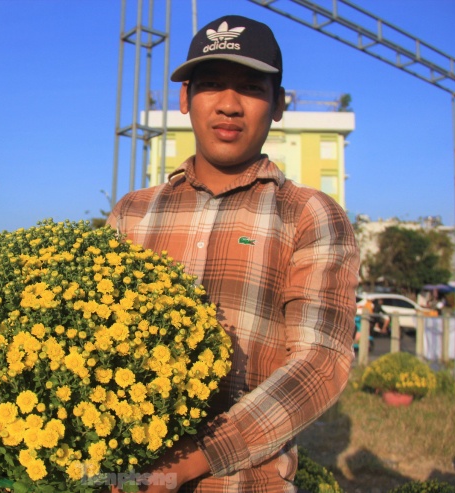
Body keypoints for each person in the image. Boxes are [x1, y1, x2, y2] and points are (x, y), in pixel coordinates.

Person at [107, 15, 359, 493]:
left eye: (250, 87)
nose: (228, 104)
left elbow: (319, 364)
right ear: (185, 100)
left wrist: (190, 460)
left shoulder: (308, 215)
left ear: (278, 105)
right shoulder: (132, 214)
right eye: (210, 84)